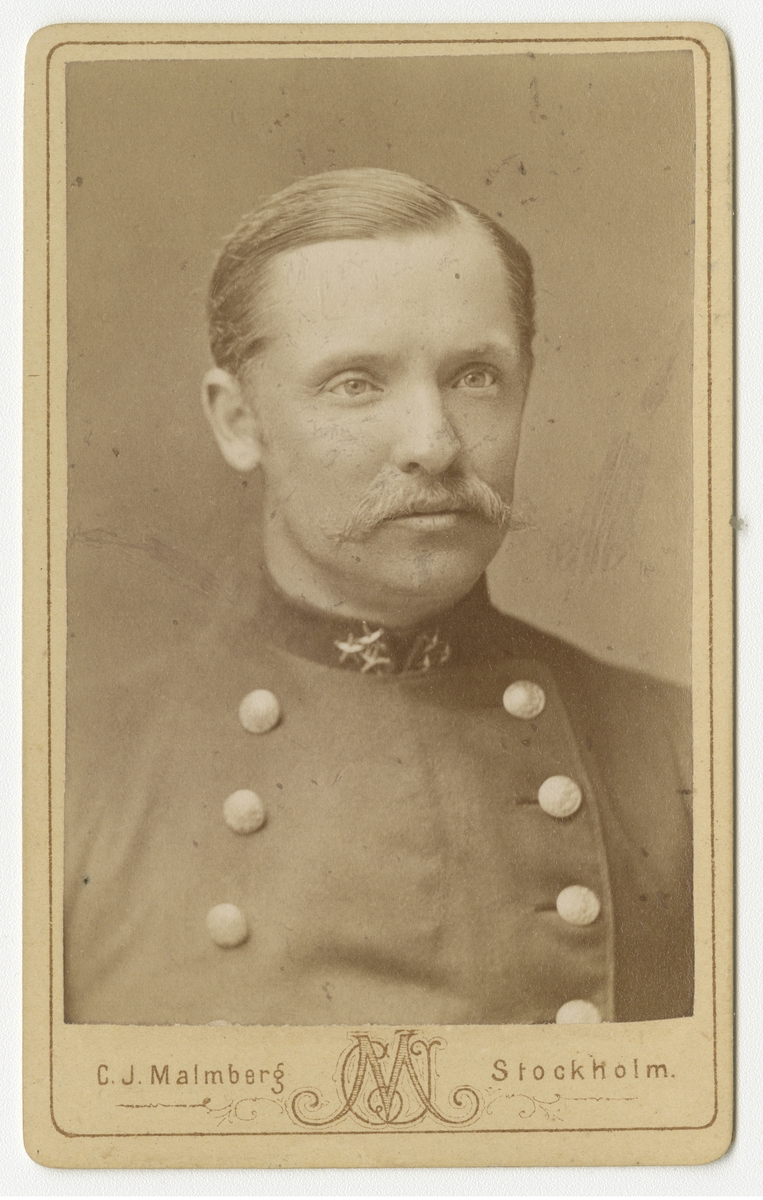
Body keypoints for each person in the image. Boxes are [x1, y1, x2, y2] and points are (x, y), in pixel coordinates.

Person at [64, 168, 693, 1026]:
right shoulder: (65, 774)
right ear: (238, 422)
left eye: (475, 376)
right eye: (355, 383)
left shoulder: (690, 759)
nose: (434, 444)